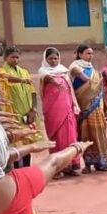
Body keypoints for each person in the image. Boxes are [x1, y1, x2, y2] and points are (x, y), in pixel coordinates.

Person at [39, 47, 81, 177]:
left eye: (55, 58)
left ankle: (71, 165)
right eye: (50, 58)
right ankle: (57, 168)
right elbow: (46, 78)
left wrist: (75, 105)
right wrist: (54, 81)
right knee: (56, 138)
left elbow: (70, 91)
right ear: (45, 59)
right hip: (53, 111)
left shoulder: (64, 71)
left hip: (67, 109)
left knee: (70, 136)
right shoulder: (43, 71)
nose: (53, 61)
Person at [0, 46, 42, 165]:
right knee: (15, 143)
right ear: (5, 58)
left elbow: (33, 92)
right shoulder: (1, 72)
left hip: (27, 112)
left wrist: (34, 109)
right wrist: (22, 81)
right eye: (12, 57)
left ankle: (27, 167)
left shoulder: (24, 72)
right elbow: (8, 79)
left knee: (28, 142)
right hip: (12, 113)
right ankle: (16, 169)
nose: (16, 59)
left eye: (17, 57)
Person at [70, 44, 107, 172]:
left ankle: (101, 163)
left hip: (97, 107)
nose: (90, 56)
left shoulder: (95, 71)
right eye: (87, 53)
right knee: (85, 134)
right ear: (80, 54)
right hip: (84, 108)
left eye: (92, 53)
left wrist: (106, 108)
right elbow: (80, 76)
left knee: (99, 132)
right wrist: (88, 79)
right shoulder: (74, 67)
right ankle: (87, 164)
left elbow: (100, 91)